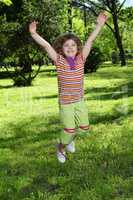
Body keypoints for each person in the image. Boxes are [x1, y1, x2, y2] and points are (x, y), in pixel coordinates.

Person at [29, 12, 108, 163]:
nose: (70, 47)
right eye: (66, 45)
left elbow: (90, 41)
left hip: (79, 101)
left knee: (84, 128)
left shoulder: (81, 58)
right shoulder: (59, 60)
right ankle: (61, 148)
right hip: (66, 103)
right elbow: (46, 45)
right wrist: (34, 33)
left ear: (77, 47)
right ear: (61, 48)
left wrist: (99, 25)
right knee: (69, 129)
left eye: (73, 45)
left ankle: (70, 139)